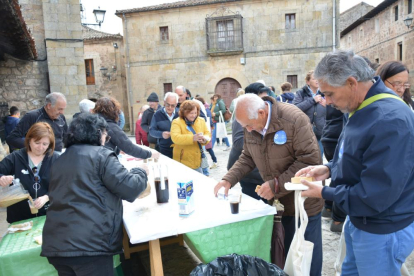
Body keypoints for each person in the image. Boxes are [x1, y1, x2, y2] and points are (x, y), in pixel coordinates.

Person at [297, 50, 414, 276]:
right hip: (360, 219)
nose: (327, 102)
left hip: (381, 228)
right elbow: (356, 155)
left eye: (329, 94)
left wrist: (324, 193)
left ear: (352, 83)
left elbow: (375, 195)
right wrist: (329, 168)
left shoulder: (389, 119)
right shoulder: (361, 105)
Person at [214, 93, 323, 276]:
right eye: (244, 127)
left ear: (262, 112)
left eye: (248, 125)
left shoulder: (293, 119)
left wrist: (275, 185)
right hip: (279, 205)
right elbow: (247, 157)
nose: (247, 130)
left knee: (306, 259)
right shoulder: (252, 125)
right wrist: (229, 179)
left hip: (302, 205)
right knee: (285, 256)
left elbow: (309, 161)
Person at [41, 113, 148, 275]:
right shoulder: (101, 155)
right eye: (105, 133)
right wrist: (141, 171)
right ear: (98, 132)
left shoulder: (60, 159)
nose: (107, 138)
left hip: (57, 244)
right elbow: (130, 187)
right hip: (89, 246)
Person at [0, 122, 59, 223]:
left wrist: (47, 197)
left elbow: (65, 184)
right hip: (19, 217)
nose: (40, 147)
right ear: (29, 140)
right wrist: (2, 178)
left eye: (45, 144)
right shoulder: (15, 157)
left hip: (48, 216)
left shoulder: (56, 159)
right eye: (37, 143)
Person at [227, 85, 264, 201]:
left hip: (258, 171)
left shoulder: (261, 115)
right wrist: (263, 146)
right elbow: (238, 141)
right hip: (249, 173)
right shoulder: (243, 114)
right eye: (263, 98)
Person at [93, 97, 159, 160]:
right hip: (103, 163)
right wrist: (149, 154)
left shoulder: (92, 123)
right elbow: (129, 148)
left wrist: (117, 150)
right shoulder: (111, 127)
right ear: (113, 111)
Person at [171, 100, 210, 173]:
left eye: (195, 112)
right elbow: (175, 138)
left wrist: (204, 139)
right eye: (191, 113)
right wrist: (192, 138)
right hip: (182, 161)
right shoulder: (177, 122)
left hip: (197, 160)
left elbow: (207, 133)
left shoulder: (201, 120)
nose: (194, 115)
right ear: (184, 112)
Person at [293, 71, 326, 157]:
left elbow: (335, 109)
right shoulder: (301, 93)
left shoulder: (324, 93)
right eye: (314, 78)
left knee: (319, 158)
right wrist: (312, 100)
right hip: (305, 131)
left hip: (320, 132)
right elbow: (295, 108)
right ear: (308, 82)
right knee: (306, 158)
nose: (317, 81)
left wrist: (328, 105)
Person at [149, 92, 179, 158]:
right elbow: (151, 131)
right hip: (164, 149)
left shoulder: (180, 114)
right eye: (168, 105)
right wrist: (161, 134)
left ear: (176, 104)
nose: (170, 107)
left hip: (179, 149)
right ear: (164, 102)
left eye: (173, 105)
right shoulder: (157, 114)